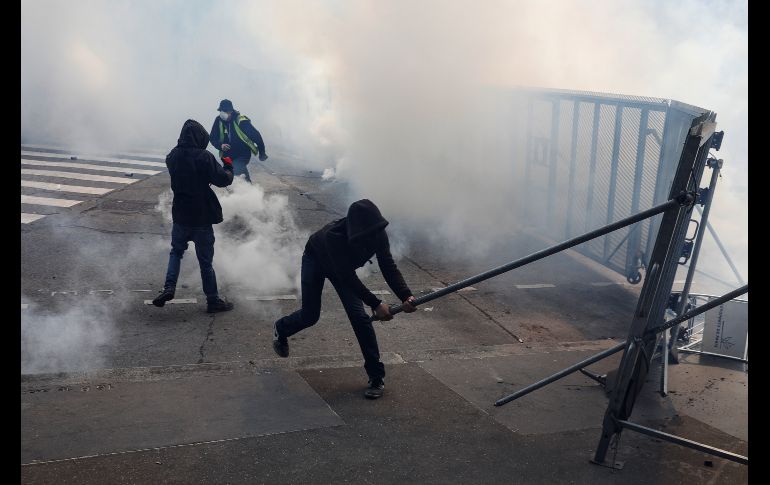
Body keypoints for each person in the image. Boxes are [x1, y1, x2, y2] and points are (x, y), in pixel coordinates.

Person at [273, 199, 417, 399]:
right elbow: (346, 277)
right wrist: (376, 304)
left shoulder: (377, 233)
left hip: (342, 269)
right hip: (316, 259)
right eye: (366, 237)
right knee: (310, 315)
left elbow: (389, 267)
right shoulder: (334, 237)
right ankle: (282, 328)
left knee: (360, 319)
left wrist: (406, 296)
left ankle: (376, 377)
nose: (371, 240)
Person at [152, 119, 235, 313]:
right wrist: (229, 167)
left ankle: (169, 287)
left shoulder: (172, 156)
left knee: (176, 252)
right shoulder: (203, 157)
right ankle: (213, 300)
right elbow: (222, 180)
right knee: (205, 262)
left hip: (181, 214)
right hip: (201, 216)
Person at [209, 99, 268, 183]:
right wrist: (220, 145)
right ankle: (240, 192)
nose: (223, 113)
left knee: (237, 169)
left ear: (231, 111)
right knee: (229, 176)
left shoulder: (241, 121)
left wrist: (262, 152)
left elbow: (256, 136)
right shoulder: (218, 120)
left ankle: (249, 191)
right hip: (227, 155)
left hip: (242, 154)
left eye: (225, 111)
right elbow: (212, 137)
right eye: (221, 111)